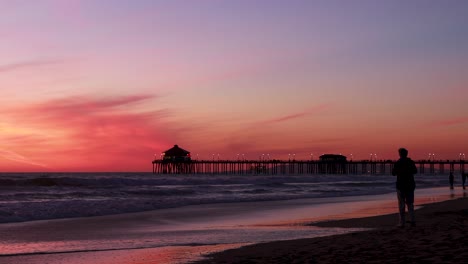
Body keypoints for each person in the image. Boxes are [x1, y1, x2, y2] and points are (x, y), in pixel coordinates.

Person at [392, 148, 417, 227]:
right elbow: (415, 171)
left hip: (401, 186)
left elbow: (393, 173)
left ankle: (402, 223)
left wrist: (400, 172)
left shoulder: (398, 163)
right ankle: (412, 220)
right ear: (407, 154)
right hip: (410, 185)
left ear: (400, 154)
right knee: (410, 204)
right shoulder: (410, 162)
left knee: (401, 204)